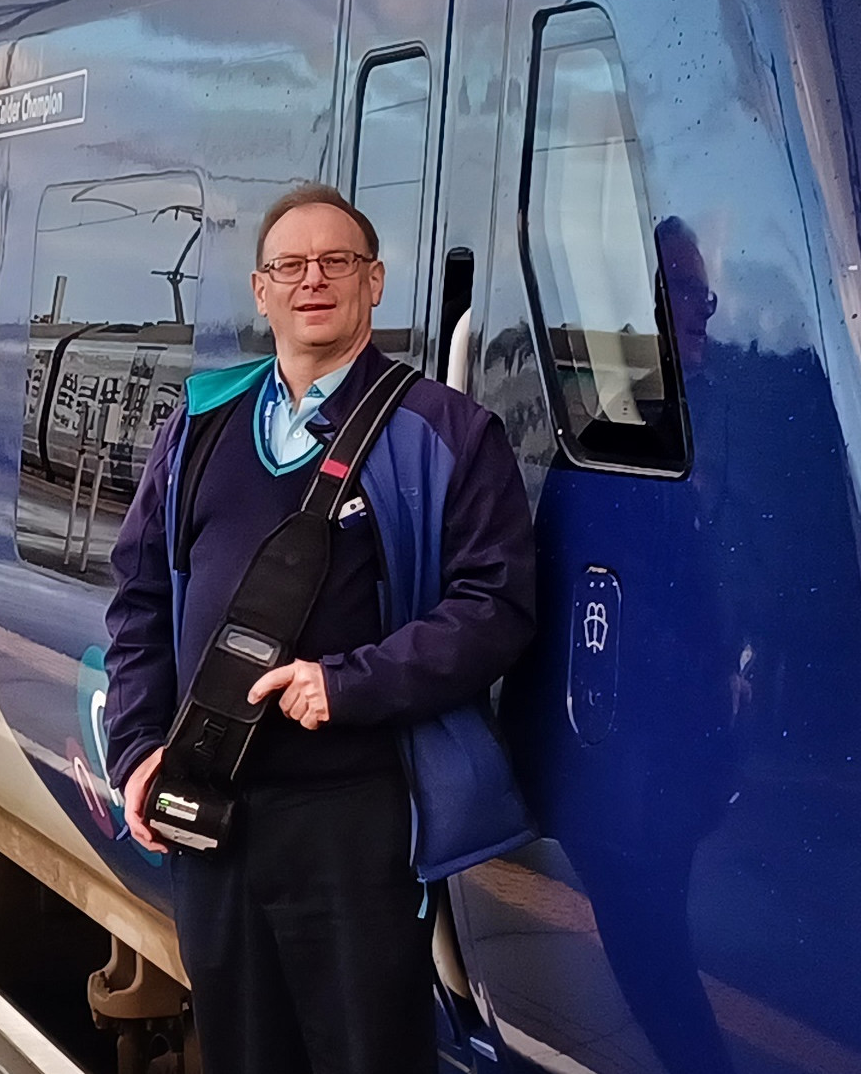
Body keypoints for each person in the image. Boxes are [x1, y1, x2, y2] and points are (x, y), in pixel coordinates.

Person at [103, 184, 537, 1072]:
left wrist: (348, 683)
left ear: (374, 282)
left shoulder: (447, 431)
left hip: (354, 817)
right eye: (290, 266)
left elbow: (495, 607)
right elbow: (139, 595)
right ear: (261, 291)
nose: (314, 280)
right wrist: (138, 748)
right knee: (241, 1051)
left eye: (337, 261)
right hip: (212, 814)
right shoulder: (199, 424)